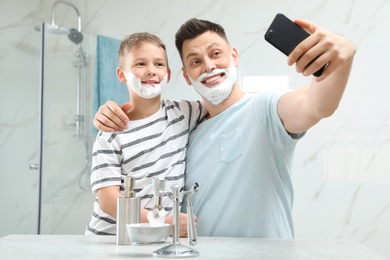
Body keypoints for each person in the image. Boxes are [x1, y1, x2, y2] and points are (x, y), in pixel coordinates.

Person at [93, 18, 356, 238]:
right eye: (195, 62)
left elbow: (316, 105)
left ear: (234, 56)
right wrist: (110, 113)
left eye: (215, 53)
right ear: (185, 76)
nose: (208, 65)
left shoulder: (266, 108)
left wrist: (340, 59)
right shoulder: (185, 127)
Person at [85, 32, 207, 236]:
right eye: (140, 64)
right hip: (108, 239)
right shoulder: (111, 134)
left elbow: (224, 102)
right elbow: (107, 201)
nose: (151, 70)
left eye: (159, 64)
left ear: (167, 74)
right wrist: (163, 224)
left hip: (151, 239)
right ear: (122, 74)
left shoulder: (183, 113)